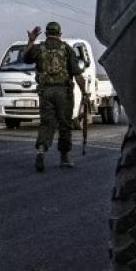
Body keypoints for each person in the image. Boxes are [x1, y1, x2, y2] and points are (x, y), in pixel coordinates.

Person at [23, 21, 87, 171]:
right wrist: (84, 93)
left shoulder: (39, 49)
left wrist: (31, 40)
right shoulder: (67, 49)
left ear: (46, 34)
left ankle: (41, 150)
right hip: (63, 93)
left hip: (46, 92)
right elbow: (77, 75)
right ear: (60, 34)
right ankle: (64, 157)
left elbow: (25, 58)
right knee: (65, 124)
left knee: (47, 124)